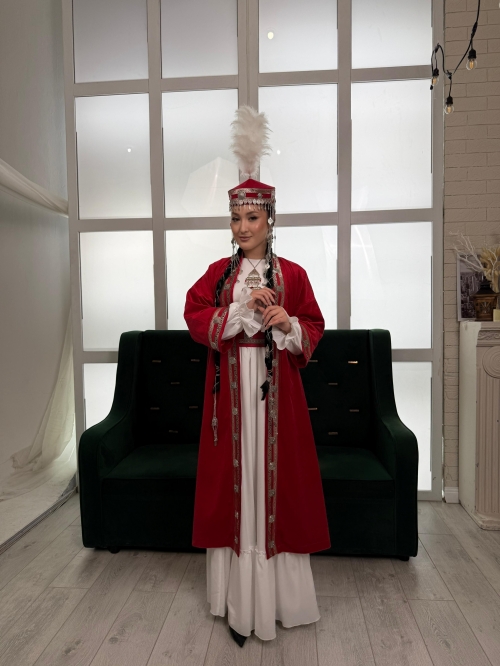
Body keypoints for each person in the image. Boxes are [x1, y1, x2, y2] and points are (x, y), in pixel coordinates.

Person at [184, 106, 330, 646]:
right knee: (234, 487)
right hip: (230, 397)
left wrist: (286, 323)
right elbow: (194, 316)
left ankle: (277, 601)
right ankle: (236, 598)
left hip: (275, 399)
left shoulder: (293, 274)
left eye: (252, 218)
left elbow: (313, 326)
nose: (243, 228)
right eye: (236, 219)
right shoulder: (217, 275)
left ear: (270, 220)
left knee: (275, 487)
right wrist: (239, 311)